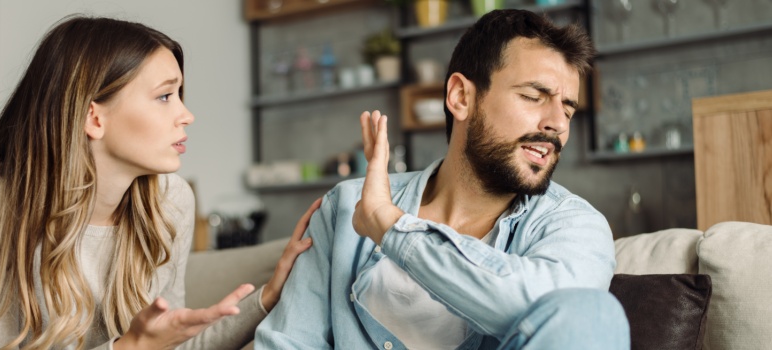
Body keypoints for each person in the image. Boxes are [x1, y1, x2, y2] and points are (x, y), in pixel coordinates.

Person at [256, 9, 629, 350]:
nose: (558, 125)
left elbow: (549, 311)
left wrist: (390, 226)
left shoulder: (575, 226)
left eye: (568, 108)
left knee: (594, 314)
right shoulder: (347, 207)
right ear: (460, 97)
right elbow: (287, 343)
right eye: (534, 96)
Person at [0, 16, 320, 350]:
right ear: (94, 118)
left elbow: (167, 345)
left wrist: (269, 296)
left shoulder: (170, 201)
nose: (187, 115)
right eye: (165, 96)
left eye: (180, 94)